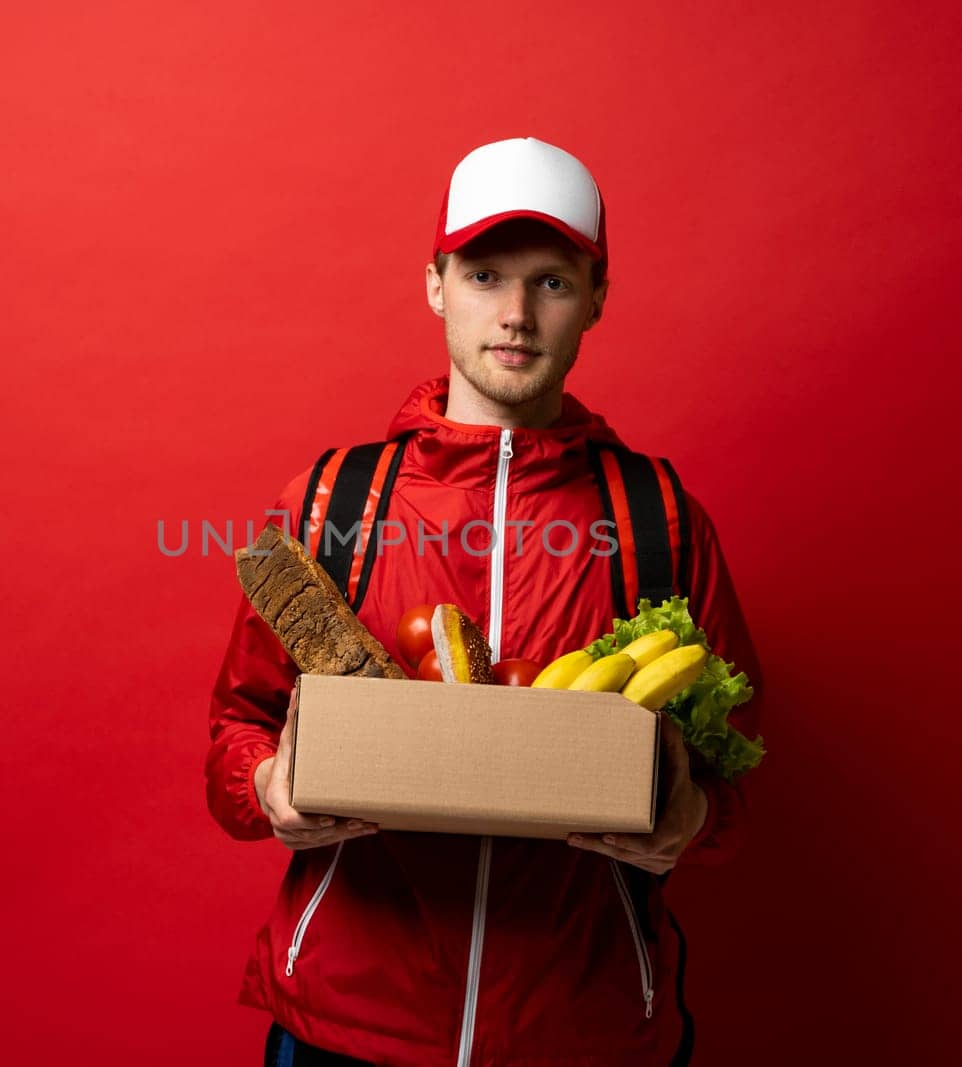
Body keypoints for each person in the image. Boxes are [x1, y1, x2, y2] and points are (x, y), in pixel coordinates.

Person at [206, 137, 763, 1066]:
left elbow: (737, 791)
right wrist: (270, 786)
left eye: (551, 282)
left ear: (597, 296)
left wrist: (691, 817)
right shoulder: (333, 503)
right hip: (350, 1033)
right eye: (484, 274)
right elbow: (235, 728)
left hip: (584, 1036)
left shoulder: (661, 518)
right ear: (435, 285)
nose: (514, 314)